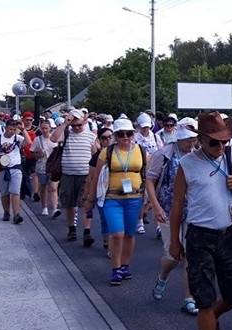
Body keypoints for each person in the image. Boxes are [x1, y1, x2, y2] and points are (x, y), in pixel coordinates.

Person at [168, 111, 232, 330]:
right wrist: (174, 240)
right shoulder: (187, 164)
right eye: (214, 142)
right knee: (203, 298)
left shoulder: (231, 155)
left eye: (224, 141)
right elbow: (177, 203)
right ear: (200, 139)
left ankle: (212, 319)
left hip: (228, 234)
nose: (220, 147)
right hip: (199, 236)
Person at [85, 119, 148, 284]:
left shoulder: (141, 151)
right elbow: (96, 177)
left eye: (129, 133)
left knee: (129, 234)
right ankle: (116, 268)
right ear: (115, 135)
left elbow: (148, 175)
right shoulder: (107, 152)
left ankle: (125, 266)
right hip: (112, 197)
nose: (125, 137)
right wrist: (90, 199)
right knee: (117, 233)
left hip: (134, 198)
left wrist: (150, 200)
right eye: (121, 134)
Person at [146, 119, 200, 314]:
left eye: (193, 139)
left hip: (192, 210)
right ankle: (163, 276)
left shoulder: (197, 154)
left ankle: (189, 297)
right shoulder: (164, 154)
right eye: (187, 139)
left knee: (190, 255)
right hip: (169, 210)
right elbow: (150, 181)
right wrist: (156, 207)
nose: (191, 143)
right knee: (173, 255)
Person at [51, 109, 98, 242]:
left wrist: (94, 175)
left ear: (84, 121)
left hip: (85, 175)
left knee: (86, 204)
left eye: (79, 125)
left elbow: (94, 156)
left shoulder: (91, 136)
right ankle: (71, 229)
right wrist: (65, 124)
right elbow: (53, 138)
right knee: (69, 203)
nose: (76, 127)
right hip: (68, 174)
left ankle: (87, 231)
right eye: (74, 125)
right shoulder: (66, 132)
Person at [0, 119, 31, 224]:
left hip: (15, 167)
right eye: (10, 129)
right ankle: (6, 212)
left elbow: (28, 143)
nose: (12, 131)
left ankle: (17, 215)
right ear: (5, 128)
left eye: (14, 129)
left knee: (15, 191)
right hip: (2, 168)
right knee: (4, 192)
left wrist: (23, 130)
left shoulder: (17, 138)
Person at [31, 120, 59, 218]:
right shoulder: (37, 140)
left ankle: (55, 208)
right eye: (42, 128)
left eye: (46, 128)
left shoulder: (55, 138)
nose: (44, 130)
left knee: (53, 187)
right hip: (42, 166)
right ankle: (44, 207)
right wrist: (38, 154)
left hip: (54, 167)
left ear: (50, 128)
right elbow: (32, 153)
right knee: (43, 187)